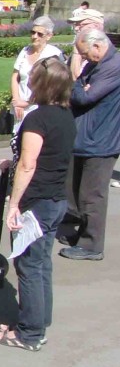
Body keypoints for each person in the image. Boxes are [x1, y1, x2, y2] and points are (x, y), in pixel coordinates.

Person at [0, 58, 75, 351]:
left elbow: (29, 165)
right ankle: (38, 320)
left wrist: (13, 205)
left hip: (37, 202)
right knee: (41, 265)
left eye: (33, 79)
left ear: (43, 84)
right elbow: (40, 158)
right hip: (55, 200)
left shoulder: (37, 119)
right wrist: (11, 163)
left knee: (28, 267)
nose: (28, 83)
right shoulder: (65, 116)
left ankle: (30, 333)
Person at [60, 27, 120, 261]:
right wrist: (80, 86)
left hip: (102, 141)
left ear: (98, 45)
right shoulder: (99, 64)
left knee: (92, 195)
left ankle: (91, 245)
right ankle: (82, 234)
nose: (83, 58)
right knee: (76, 190)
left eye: (85, 53)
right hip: (87, 137)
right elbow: (82, 92)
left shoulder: (113, 66)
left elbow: (86, 97)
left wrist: (76, 83)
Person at [10, 16, 63, 129]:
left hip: (40, 108)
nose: (34, 36)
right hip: (20, 108)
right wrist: (17, 101)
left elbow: (53, 87)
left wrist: (27, 103)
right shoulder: (25, 51)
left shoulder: (54, 55)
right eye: (33, 32)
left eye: (40, 34)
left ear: (49, 36)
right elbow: (15, 77)